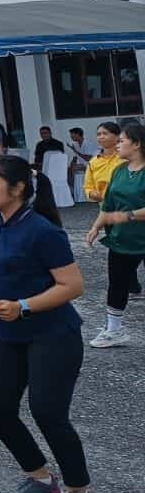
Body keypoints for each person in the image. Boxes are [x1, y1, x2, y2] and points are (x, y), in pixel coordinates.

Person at [0, 156, 98, 493]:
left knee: (47, 411)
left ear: (17, 188)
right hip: (7, 333)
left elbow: (73, 286)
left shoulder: (43, 231)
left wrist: (24, 305)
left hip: (53, 333)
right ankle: (40, 479)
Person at [85, 121, 145, 348]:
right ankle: (114, 330)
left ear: (137, 144)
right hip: (121, 239)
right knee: (117, 284)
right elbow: (108, 204)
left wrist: (128, 215)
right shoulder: (119, 170)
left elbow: (122, 212)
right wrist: (96, 226)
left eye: (121, 141)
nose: (116, 145)